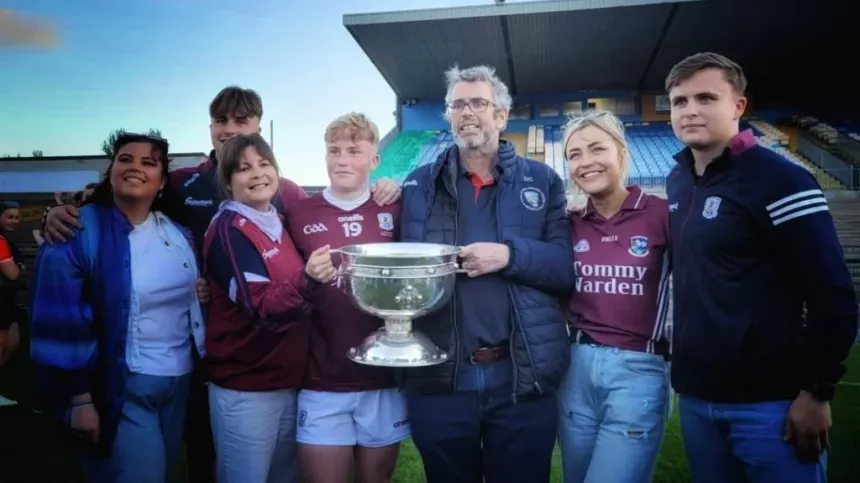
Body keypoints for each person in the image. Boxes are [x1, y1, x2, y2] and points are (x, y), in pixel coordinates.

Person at [41, 86, 401, 483]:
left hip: (266, 365)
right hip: (226, 360)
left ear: (261, 132)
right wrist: (62, 212)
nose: (231, 129)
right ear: (224, 177)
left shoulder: (287, 201)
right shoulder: (183, 184)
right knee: (201, 455)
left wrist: (386, 187)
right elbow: (126, 191)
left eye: (242, 122)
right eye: (222, 121)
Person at [665, 52, 859, 483]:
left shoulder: (782, 180)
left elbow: (832, 295)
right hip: (697, 400)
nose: (690, 110)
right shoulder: (678, 180)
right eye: (679, 101)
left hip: (770, 405)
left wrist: (817, 391)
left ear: (738, 106)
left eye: (705, 97)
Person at [398, 65, 575, 483]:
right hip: (440, 379)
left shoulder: (543, 180)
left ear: (502, 114)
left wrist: (508, 256)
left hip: (520, 378)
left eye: (479, 103)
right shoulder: (416, 184)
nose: (468, 112)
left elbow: (564, 269)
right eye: (457, 104)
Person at [29, 133, 208, 483]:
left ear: (160, 182)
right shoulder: (78, 230)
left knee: (166, 471)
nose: (135, 168)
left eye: (148, 162)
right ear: (110, 172)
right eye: (125, 159)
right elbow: (59, 319)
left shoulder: (179, 234)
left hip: (178, 380)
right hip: (121, 384)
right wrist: (79, 398)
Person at [286, 113, 408, 483]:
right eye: (333, 150)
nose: (341, 159)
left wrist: (395, 187)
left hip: (383, 380)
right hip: (322, 379)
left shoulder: (396, 207)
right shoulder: (297, 212)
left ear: (374, 161)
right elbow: (284, 281)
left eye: (354, 150)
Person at [557, 110, 671, 483]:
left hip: (638, 370)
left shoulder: (662, 214)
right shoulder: (568, 222)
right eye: (574, 155)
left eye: (596, 149)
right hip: (574, 366)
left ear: (621, 153)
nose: (585, 162)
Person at [204, 134, 312, 483]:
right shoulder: (228, 229)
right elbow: (260, 307)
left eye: (264, 164)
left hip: (288, 383)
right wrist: (310, 280)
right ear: (228, 181)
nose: (257, 174)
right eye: (244, 168)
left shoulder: (280, 221)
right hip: (245, 390)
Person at [0, 201, 24, 367]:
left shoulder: (5, 240)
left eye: (17, 217)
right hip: (1, 298)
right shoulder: (1, 242)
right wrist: (20, 266)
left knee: (12, 342)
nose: (15, 221)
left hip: (7, 299)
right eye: (10, 217)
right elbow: (13, 273)